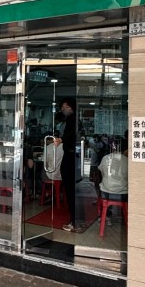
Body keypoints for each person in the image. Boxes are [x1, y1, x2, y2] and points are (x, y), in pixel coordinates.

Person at [59, 98, 85, 233]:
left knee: (70, 190)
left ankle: (75, 222)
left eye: (66, 107)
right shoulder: (76, 121)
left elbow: (69, 137)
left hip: (69, 157)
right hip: (73, 157)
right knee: (73, 191)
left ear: (71, 108)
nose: (63, 109)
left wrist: (61, 139)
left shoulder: (71, 120)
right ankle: (78, 220)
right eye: (63, 107)